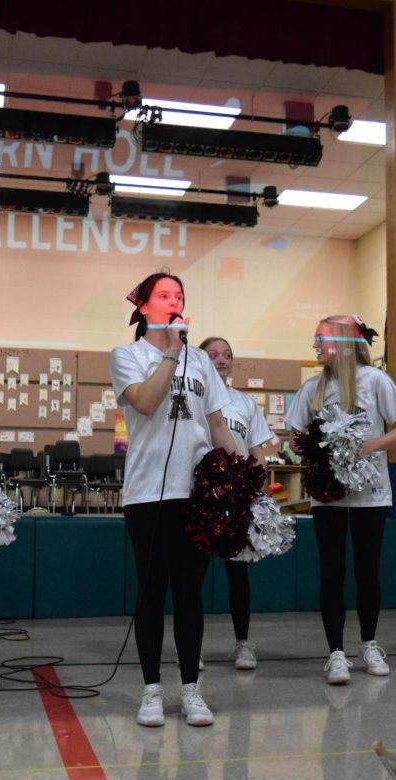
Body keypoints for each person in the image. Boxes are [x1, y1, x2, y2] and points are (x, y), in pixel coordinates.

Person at [110, 272, 238, 727]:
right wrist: (169, 352)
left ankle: (190, 689)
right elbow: (144, 402)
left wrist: (243, 479)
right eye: (164, 296)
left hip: (196, 493)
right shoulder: (127, 356)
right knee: (151, 593)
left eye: (179, 296)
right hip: (147, 493)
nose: (173, 301)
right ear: (143, 306)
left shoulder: (201, 361)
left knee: (190, 595)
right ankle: (150, 690)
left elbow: (218, 425)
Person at [285, 315, 396, 684]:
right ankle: (336, 653)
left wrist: (368, 446)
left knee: (367, 571)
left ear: (343, 342)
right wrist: (319, 452)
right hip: (329, 496)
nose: (315, 345)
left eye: (320, 338)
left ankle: (369, 643)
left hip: (371, 493)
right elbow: (295, 436)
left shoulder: (376, 381)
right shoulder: (313, 388)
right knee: (332, 571)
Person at [200, 336, 275, 670]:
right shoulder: (192, 399)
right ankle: (192, 647)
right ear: (200, 360)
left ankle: (243, 644)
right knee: (193, 575)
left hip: (236, 497)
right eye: (213, 355)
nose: (221, 360)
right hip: (200, 497)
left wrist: (256, 488)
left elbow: (258, 454)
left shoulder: (244, 403)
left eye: (227, 355)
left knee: (237, 573)